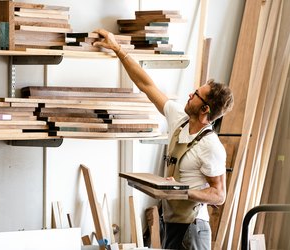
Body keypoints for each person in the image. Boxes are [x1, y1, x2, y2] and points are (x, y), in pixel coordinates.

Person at [93, 29, 234, 250]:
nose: (190, 95)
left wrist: (182, 191)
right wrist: (119, 49)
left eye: (195, 95)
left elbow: (219, 194)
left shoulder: (211, 146)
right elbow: (147, 86)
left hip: (193, 229)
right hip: (172, 222)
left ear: (205, 109)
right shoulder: (180, 120)